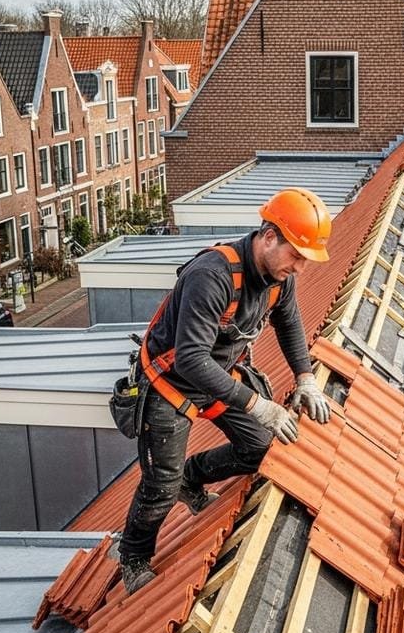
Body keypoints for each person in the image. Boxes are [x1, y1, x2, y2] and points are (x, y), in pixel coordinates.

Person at [119, 188, 333, 593]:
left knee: (261, 447)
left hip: (218, 376)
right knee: (160, 486)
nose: (300, 268)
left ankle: (191, 478)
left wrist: (305, 377)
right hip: (170, 384)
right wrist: (259, 405)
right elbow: (190, 359)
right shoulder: (213, 276)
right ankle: (132, 556)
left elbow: (289, 324)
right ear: (268, 237)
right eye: (296, 255)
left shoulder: (278, 278)